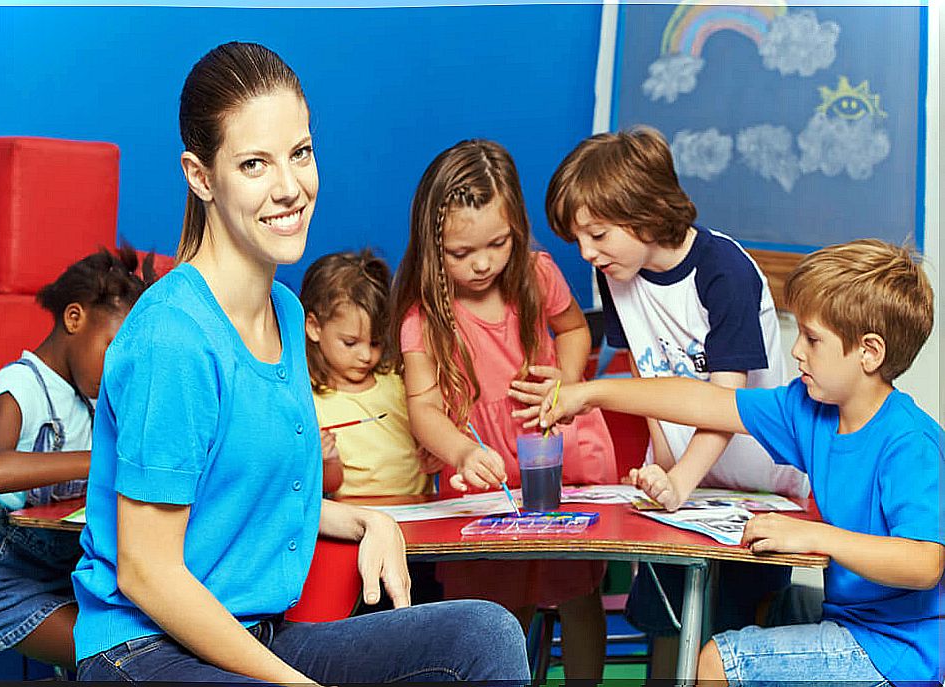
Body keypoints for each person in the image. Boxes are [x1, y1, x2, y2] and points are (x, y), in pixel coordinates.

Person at [70, 42, 529, 684]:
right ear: (201, 176)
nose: (290, 188)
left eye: (301, 153)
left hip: (255, 635)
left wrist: (370, 518)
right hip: (146, 652)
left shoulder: (287, 312)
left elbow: (243, 498)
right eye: (254, 163)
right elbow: (149, 572)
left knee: (482, 636)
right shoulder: (171, 338)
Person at [538, 238, 943, 684]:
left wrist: (815, 535)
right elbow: (702, 400)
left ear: (869, 352)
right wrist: (591, 392)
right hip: (850, 621)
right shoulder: (808, 410)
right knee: (762, 610)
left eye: (812, 338)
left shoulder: (910, 442)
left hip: (900, 649)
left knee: (718, 659)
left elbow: (924, 563)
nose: (796, 351)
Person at [544, 126, 808, 667]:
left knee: (731, 633)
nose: (588, 253)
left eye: (597, 234)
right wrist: (664, 470)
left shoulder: (725, 272)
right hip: (684, 483)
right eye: (578, 240)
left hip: (757, 479)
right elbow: (649, 381)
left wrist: (681, 480)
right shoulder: (618, 276)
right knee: (666, 623)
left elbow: (725, 407)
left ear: (642, 211)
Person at [394, 138, 617, 680]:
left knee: (577, 592)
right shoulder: (423, 318)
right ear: (431, 243)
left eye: (498, 243)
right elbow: (424, 410)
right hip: (486, 473)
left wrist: (565, 379)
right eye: (461, 252)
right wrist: (462, 451)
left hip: (557, 456)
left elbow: (573, 329)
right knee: (498, 607)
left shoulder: (537, 274)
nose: (484, 263)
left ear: (516, 224)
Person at [0, 246, 155, 669]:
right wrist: (98, 461)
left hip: (64, 571)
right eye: (112, 347)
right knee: (111, 656)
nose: (117, 369)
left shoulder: (91, 402)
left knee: (142, 639)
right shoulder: (21, 386)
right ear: (74, 318)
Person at [300, 249, 433, 498]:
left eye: (375, 343)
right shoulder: (310, 402)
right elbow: (328, 486)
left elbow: (428, 442)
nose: (366, 356)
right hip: (358, 519)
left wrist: (433, 451)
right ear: (314, 327)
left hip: (420, 510)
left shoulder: (398, 381)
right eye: (350, 343)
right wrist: (326, 459)